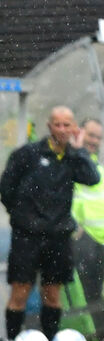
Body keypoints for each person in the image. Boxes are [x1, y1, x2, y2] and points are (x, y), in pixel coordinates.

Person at [0, 106, 100, 341]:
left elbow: (92, 178)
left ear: (75, 128)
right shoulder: (28, 154)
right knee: (20, 291)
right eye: (58, 124)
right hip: (27, 236)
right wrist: (22, 218)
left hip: (58, 237)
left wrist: (79, 149)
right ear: (49, 126)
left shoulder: (73, 157)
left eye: (68, 125)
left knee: (53, 294)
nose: (63, 130)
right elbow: (6, 189)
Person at [71, 117, 104, 303]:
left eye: (98, 138)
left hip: (100, 242)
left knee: (96, 296)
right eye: (91, 135)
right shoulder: (69, 163)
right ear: (79, 132)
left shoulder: (97, 167)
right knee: (86, 295)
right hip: (82, 240)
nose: (94, 141)